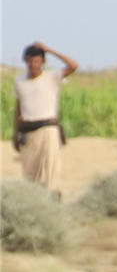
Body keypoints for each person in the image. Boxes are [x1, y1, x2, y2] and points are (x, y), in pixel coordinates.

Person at [16, 43, 78, 189]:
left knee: (50, 171)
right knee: (30, 175)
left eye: (37, 61)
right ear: (25, 61)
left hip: (48, 130)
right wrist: (15, 133)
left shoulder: (52, 77)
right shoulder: (19, 81)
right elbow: (19, 108)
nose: (33, 65)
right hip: (28, 131)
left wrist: (49, 50)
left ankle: (52, 201)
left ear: (43, 62)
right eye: (30, 61)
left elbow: (73, 66)